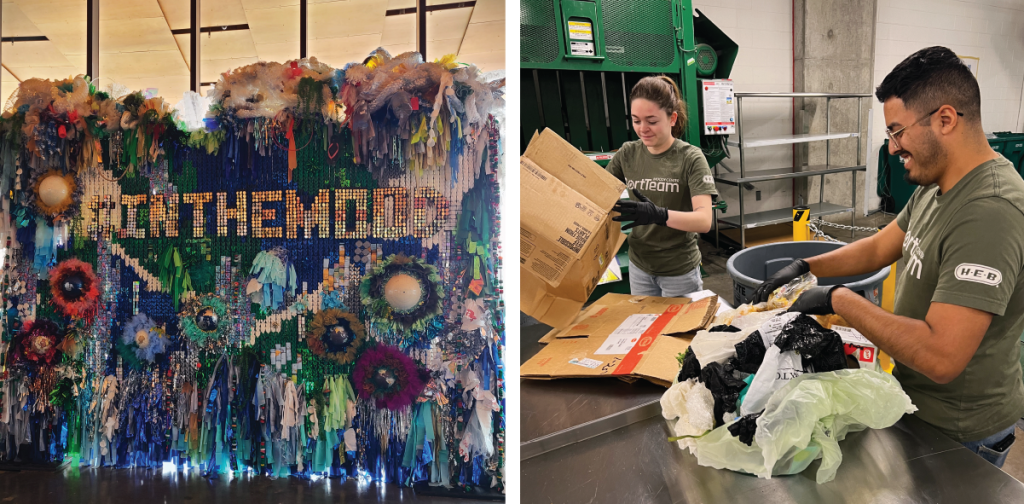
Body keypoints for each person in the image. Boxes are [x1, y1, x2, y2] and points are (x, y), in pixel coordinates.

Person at [754, 46, 1024, 467]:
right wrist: (808, 267)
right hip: (917, 405)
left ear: (945, 119)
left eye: (897, 131)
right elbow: (882, 246)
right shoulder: (936, 186)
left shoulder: (990, 211)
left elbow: (941, 357)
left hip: (961, 433)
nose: (894, 147)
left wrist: (838, 299)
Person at [606, 75, 718, 297]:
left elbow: (704, 221)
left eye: (652, 121)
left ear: (672, 118)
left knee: (678, 332)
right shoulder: (628, 153)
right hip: (640, 267)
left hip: (679, 271)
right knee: (647, 329)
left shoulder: (691, 158)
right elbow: (596, 193)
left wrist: (659, 215)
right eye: (636, 120)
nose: (643, 128)